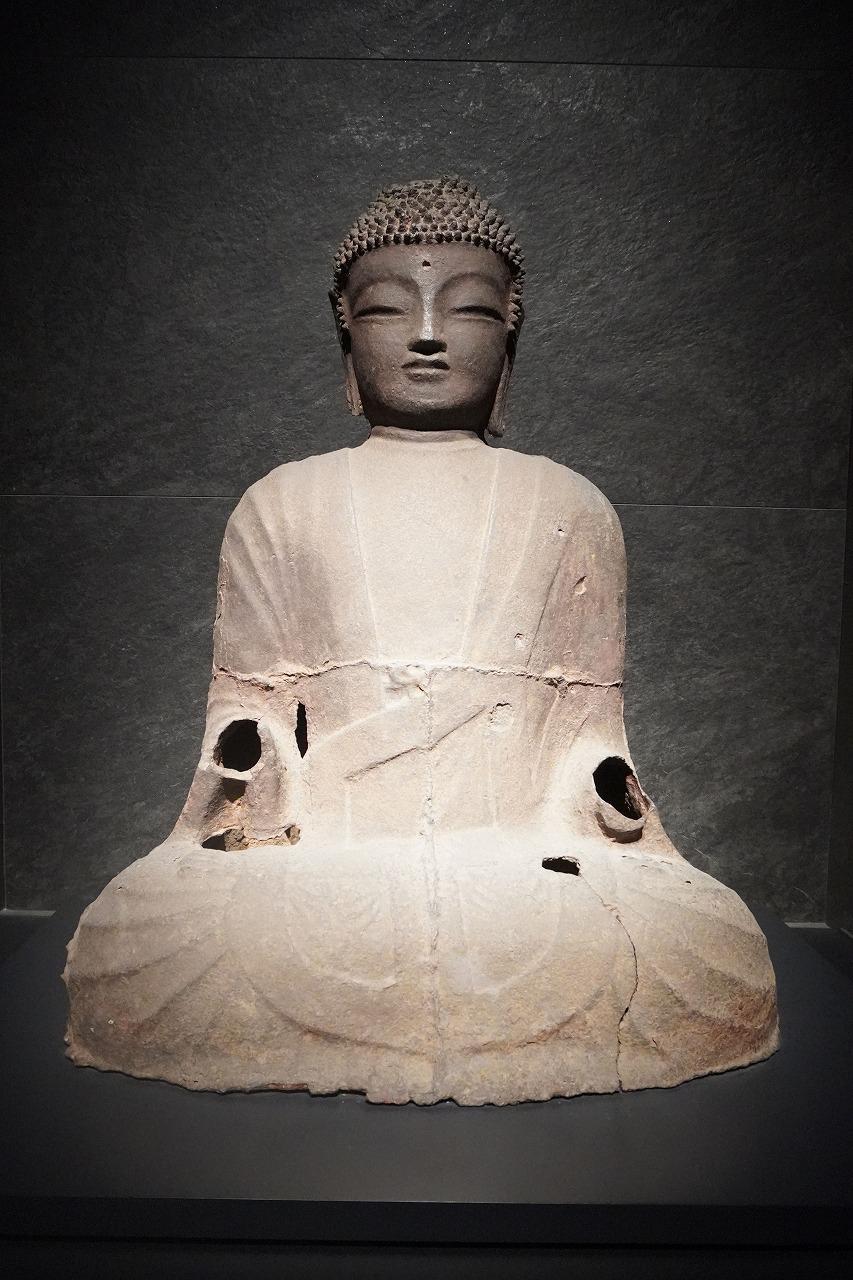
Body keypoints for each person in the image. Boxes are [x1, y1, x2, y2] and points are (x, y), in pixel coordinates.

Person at [64, 178, 778, 1103]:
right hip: (332, 855)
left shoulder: (570, 506)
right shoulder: (282, 503)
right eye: (389, 309)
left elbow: (591, 730)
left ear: (510, 329)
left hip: (516, 856)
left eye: (468, 308)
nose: (428, 334)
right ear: (345, 329)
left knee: (704, 945)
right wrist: (251, 765)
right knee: (142, 940)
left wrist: (602, 793)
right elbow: (248, 710)